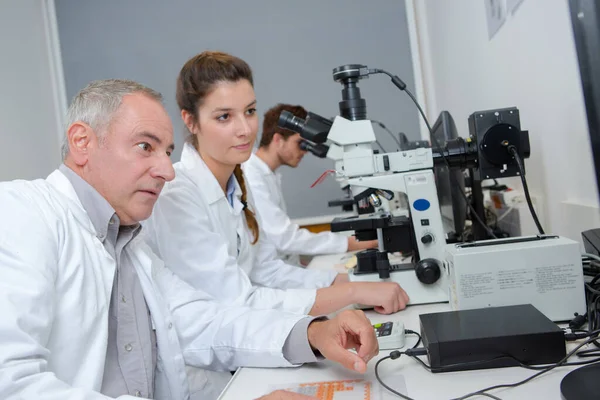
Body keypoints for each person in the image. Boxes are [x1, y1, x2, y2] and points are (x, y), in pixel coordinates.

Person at [0, 79, 380, 400]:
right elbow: (13, 384)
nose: (166, 170)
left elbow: (202, 320)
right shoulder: (22, 215)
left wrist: (311, 333)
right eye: (145, 147)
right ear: (82, 142)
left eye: (166, 152)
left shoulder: (128, 243)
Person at [144, 51, 409, 318]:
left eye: (249, 111)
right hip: (205, 352)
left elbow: (266, 270)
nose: (245, 129)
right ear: (191, 121)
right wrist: (351, 293)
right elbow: (234, 301)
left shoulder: (237, 182)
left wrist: (346, 282)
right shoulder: (178, 194)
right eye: (224, 116)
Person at [243, 103, 378, 266]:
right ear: (278, 140)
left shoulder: (267, 174)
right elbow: (284, 238)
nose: (305, 151)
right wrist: (349, 243)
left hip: (285, 268)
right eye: (300, 143)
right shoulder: (252, 175)